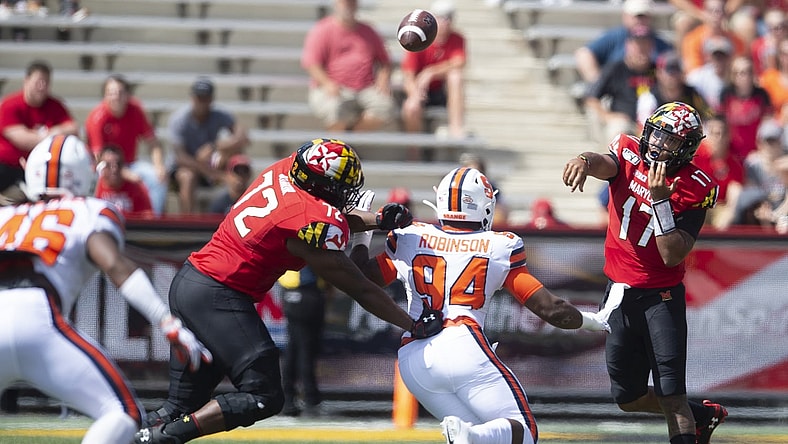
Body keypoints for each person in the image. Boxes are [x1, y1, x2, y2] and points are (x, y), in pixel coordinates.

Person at [133, 138, 442, 444]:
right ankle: (164, 437)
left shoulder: (285, 170)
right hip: (217, 295)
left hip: (191, 282)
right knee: (263, 394)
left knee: (180, 407)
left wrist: (377, 220)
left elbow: (312, 213)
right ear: (321, 186)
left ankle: (137, 435)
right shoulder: (307, 221)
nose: (345, 194)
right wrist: (412, 324)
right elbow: (361, 287)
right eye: (340, 188)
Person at [349, 166, 610, 444]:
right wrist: (594, 320)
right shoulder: (499, 246)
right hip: (462, 345)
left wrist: (362, 237)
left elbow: (361, 279)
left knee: (490, 437)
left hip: (413, 359)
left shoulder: (411, 236)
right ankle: (471, 436)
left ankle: (470, 436)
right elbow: (552, 309)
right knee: (523, 430)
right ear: (484, 205)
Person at [0, 134, 210, 444]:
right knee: (123, 413)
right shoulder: (87, 210)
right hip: (38, 318)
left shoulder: (5, 215)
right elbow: (115, 265)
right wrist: (167, 321)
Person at [562, 101, 728, 444]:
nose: (657, 144)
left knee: (672, 394)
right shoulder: (627, 151)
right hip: (619, 293)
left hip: (660, 298)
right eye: (656, 134)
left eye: (669, 140)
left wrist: (661, 202)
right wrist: (583, 161)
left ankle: (689, 421)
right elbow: (603, 162)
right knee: (628, 398)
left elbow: (671, 254)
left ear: (685, 148)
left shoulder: (696, 185)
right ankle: (703, 415)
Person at [301, 0, 397, 132]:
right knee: (334, 109)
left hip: (365, 87)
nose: (349, 6)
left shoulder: (368, 31)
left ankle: (350, 137)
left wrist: (383, 78)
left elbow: (384, 61)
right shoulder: (322, 29)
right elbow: (311, 63)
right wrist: (327, 83)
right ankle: (339, 141)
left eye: (352, 2)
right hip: (334, 86)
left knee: (386, 108)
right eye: (345, 2)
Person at [85, 74, 168, 217]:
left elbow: (153, 143)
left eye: (120, 93)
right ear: (105, 96)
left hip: (131, 163)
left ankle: (153, 221)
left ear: (128, 95)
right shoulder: (97, 117)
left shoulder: (136, 110)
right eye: (111, 93)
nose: (116, 97)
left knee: (157, 178)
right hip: (105, 166)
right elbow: (98, 157)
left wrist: (159, 166)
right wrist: (122, 171)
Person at [168, 77, 250, 214]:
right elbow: (180, 157)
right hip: (184, 167)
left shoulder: (219, 115)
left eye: (205, 98)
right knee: (187, 176)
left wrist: (214, 146)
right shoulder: (179, 120)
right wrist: (213, 173)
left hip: (208, 164)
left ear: (211, 99)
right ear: (192, 98)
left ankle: (236, 213)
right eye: (199, 98)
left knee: (234, 154)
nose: (202, 102)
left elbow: (242, 137)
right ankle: (186, 221)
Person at [0, 60, 78, 203]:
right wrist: (52, 134)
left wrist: (41, 135)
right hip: (7, 168)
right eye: (38, 82)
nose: (42, 87)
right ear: (26, 81)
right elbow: (23, 141)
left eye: (46, 82)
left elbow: (73, 129)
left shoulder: (55, 106)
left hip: (41, 170)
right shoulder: (10, 105)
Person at [400, 0, 467, 139]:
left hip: (441, 91)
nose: (446, 22)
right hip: (420, 89)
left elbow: (459, 62)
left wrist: (430, 72)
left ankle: (456, 128)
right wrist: (415, 94)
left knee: (456, 76)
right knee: (411, 107)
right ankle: (414, 149)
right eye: (442, 17)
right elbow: (408, 76)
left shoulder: (456, 38)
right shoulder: (418, 40)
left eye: (449, 17)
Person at [584, 25, 656, 145]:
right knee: (620, 133)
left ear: (651, 47)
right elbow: (591, 98)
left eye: (645, 45)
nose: (641, 49)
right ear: (628, 46)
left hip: (654, 124)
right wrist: (608, 116)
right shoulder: (615, 68)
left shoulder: (659, 70)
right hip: (625, 122)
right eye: (638, 45)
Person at [574, 0, 672, 87]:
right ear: (625, 16)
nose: (640, 21)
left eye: (644, 16)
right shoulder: (614, 37)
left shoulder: (661, 44)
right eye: (637, 16)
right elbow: (583, 53)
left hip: (650, 92)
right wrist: (598, 85)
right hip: (617, 91)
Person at [278, 266, 329, 418]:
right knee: (305, 350)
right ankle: (310, 398)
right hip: (306, 293)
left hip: (291, 294)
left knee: (294, 348)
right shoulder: (308, 253)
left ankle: (289, 399)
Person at [636, 51, 713, 129]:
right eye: (669, 72)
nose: (673, 76)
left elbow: (709, 117)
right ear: (659, 74)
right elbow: (644, 126)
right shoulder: (648, 98)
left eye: (676, 71)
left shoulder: (694, 94)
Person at [692, 115, 745, 230]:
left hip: (720, 206)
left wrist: (731, 211)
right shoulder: (695, 156)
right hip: (697, 204)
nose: (719, 138)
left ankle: (720, 240)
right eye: (714, 133)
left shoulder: (734, 164)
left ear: (728, 136)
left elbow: (735, 190)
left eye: (722, 133)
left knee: (727, 216)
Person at [680, 0, 747, 74]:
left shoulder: (736, 41)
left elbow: (739, 67)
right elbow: (693, 72)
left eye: (718, 11)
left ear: (724, 14)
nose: (715, 15)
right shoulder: (691, 40)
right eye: (711, 11)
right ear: (704, 13)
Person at [94, 145, 155, 219]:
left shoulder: (136, 188)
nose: (114, 169)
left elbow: (147, 217)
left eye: (118, 164)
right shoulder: (95, 188)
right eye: (108, 165)